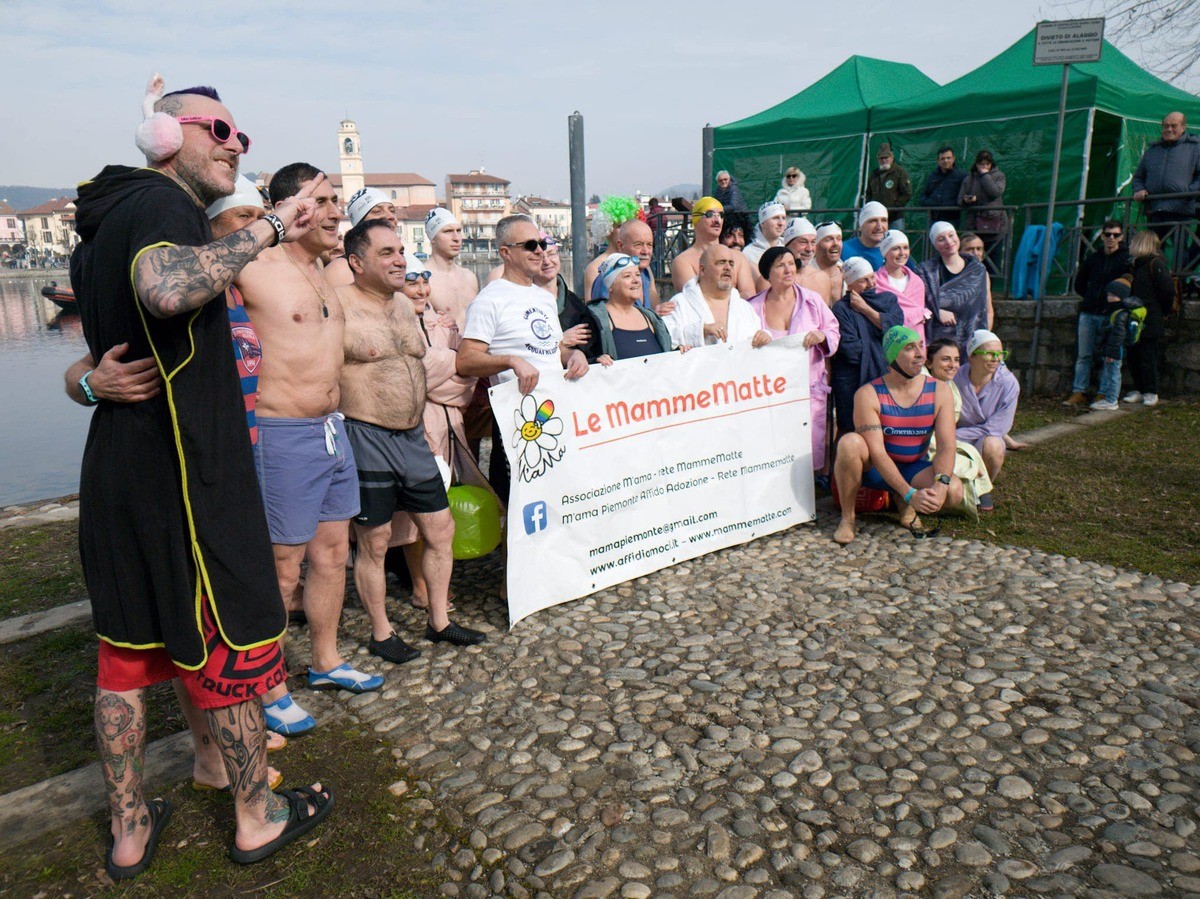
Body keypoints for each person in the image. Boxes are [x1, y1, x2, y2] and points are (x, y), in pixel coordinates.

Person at [70, 82, 332, 876]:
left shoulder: (102, 219)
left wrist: (86, 386)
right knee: (232, 641)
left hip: (117, 467)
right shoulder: (160, 205)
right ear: (163, 135)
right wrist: (276, 226)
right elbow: (164, 287)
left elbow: (98, 352)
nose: (236, 144)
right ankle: (257, 814)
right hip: (186, 470)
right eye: (217, 129)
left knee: (125, 653)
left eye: (241, 132)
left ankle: (129, 827)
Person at [237, 162, 384, 731]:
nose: (334, 212)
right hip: (281, 433)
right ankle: (266, 686)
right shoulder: (254, 267)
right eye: (320, 200)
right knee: (282, 567)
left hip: (332, 429)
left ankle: (325, 661)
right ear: (287, 205)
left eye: (335, 200)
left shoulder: (326, 271)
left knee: (331, 555)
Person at [337, 219, 486, 660]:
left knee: (441, 528)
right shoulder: (339, 305)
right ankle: (381, 633)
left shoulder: (404, 306)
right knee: (376, 540)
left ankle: (439, 620)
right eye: (386, 253)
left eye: (400, 250)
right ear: (356, 262)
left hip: (413, 437)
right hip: (365, 434)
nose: (399, 259)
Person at [456, 215, 590, 500]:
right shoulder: (489, 300)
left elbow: (552, 348)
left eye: (541, 243)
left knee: (561, 497)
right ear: (505, 252)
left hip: (554, 411)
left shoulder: (543, 297)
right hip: (518, 419)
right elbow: (466, 360)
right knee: (522, 505)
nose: (540, 251)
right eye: (530, 245)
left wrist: (574, 354)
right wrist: (510, 361)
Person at [833, 326, 963, 545]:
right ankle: (848, 518)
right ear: (892, 356)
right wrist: (910, 493)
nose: (921, 354)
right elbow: (877, 453)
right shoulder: (869, 394)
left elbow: (947, 447)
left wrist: (940, 484)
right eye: (910, 348)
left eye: (920, 346)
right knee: (849, 443)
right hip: (874, 469)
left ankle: (902, 501)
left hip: (913, 467)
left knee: (954, 492)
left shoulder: (939, 391)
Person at [747, 247, 839, 469]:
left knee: (807, 451)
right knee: (772, 450)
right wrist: (753, 340)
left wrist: (821, 335)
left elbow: (834, 332)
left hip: (808, 387)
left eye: (791, 263)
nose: (788, 269)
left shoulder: (812, 301)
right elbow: (741, 348)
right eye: (780, 265)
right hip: (769, 391)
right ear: (767, 274)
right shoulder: (752, 307)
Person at [830, 256, 905, 437]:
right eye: (863, 280)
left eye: (872, 277)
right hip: (852, 382)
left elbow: (897, 330)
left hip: (885, 379)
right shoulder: (842, 309)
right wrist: (882, 349)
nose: (871, 283)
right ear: (850, 285)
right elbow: (850, 349)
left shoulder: (887, 300)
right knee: (850, 431)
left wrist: (865, 309)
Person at [923, 338, 993, 513]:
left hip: (941, 439)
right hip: (923, 443)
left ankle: (978, 492)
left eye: (956, 360)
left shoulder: (949, 385)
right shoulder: (922, 383)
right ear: (929, 362)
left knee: (971, 452)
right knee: (963, 462)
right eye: (946, 359)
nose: (952, 365)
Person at [1065, 220, 1130, 406]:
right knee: (1084, 355)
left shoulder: (1125, 259)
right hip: (1089, 312)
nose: (1111, 238)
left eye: (1115, 235)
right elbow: (1079, 283)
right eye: (1108, 234)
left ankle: (1103, 393)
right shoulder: (1093, 258)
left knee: (1108, 356)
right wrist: (1091, 297)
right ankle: (1079, 391)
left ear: (1121, 237)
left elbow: (1127, 284)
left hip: (1111, 314)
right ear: (1102, 236)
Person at [955, 329, 1020, 509]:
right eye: (990, 353)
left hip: (967, 436)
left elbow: (998, 428)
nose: (996, 359)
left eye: (1000, 354)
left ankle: (983, 488)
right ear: (972, 356)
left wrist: (955, 435)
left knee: (993, 445)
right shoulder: (955, 378)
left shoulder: (1008, 383)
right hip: (957, 438)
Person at [663, 243, 772, 349]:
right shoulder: (680, 303)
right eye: (721, 262)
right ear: (702, 269)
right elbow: (665, 338)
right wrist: (701, 330)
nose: (728, 267)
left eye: (731, 264)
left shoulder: (745, 308)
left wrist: (765, 337)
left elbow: (756, 347)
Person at [917, 221, 992, 351]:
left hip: (972, 340)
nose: (948, 241)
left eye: (951, 235)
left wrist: (984, 340)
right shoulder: (925, 272)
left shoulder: (978, 271)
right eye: (941, 239)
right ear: (935, 245)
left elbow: (986, 309)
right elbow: (916, 304)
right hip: (940, 344)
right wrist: (936, 311)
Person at [590, 254, 676, 363]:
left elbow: (666, 355)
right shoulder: (596, 319)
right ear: (610, 285)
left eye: (637, 275)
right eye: (627, 276)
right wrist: (595, 361)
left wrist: (679, 352)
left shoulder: (651, 318)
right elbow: (581, 360)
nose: (636, 280)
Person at [1132, 112, 1200, 246]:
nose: (1169, 129)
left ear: (1183, 127)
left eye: (1174, 126)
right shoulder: (1152, 150)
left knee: (1180, 253)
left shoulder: (1195, 148)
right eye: (1166, 126)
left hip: (1180, 210)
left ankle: (1185, 268)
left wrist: (1188, 193)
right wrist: (1139, 189)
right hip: (1155, 210)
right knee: (1153, 251)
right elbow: (1138, 177)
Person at [1125, 229, 1175, 407]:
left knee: (1148, 355)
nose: (1129, 245)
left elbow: (1167, 291)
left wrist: (1161, 311)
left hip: (1150, 317)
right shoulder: (1134, 266)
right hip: (1134, 317)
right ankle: (1139, 388)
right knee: (1133, 354)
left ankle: (1151, 391)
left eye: (1132, 242)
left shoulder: (1156, 264)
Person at [670, 197, 757, 297]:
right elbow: (695, 300)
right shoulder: (683, 261)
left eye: (721, 215)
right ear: (696, 221)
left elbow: (749, 295)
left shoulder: (738, 257)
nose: (717, 220)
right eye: (709, 214)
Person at [534, 233, 600, 359]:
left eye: (551, 254)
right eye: (539, 257)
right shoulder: (522, 304)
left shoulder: (576, 303)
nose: (547, 261)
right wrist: (561, 341)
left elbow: (592, 348)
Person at [1091, 278, 1147, 412]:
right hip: (1112, 349)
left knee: (1113, 374)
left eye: (1113, 295)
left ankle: (1111, 400)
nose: (1109, 297)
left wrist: (1111, 352)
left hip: (1115, 350)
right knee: (1110, 373)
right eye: (1108, 295)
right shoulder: (1117, 311)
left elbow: (1117, 336)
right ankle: (1109, 398)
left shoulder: (1120, 314)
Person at [325, 187, 397, 287]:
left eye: (392, 210)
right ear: (361, 224)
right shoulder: (341, 269)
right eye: (377, 211)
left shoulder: (403, 261)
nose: (390, 216)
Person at [424, 207, 479, 328]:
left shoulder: (469, 277)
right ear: (432, 238)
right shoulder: (423, 280)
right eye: (448, 231)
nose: (456, 238)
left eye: (458, 231)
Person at [590, 218, 660, 308]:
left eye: (649, 245)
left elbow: (655, 311)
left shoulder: (646, 274)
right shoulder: (609, 278)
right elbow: (604, 318)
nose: (646, 251)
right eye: (638, 244)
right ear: (620, 245)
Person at [957, 150, 1007, 275]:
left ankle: (991, 291)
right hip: (974, 227)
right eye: (981, 164)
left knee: (992, 263)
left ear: (991, 164)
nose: (984, 166)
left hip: (994, 227)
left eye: (987, 164)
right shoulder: (969, 179)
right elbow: (959, 200)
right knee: (972, 263)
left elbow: (995, 193)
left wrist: (985, 176)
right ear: (976, 164)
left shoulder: (999, 176)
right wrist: (966, 200)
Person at [583, 196, 642, 298]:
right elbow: (591, 309)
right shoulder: (594, 268)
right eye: (620, 226)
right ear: (608, 229)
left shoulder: (640, 263)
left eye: (628, 225)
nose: (625, 230)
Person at [876, 229, 928, 335]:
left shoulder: (917, 282)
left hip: (914, 338)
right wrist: (917, 314)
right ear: (885, 252)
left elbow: (920, 320)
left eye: (905, 248)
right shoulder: (875, 281)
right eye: (896, 248)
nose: (902, 253)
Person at [783, 217, 834, 302]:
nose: (809, 249)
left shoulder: (822, 279)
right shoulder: (773, 279)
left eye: (813, 242)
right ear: (787, 244)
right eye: (803, 242)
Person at [866, 143, 912, 231]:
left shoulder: (899, 172)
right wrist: (871, 206)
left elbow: (907, 193)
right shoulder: (874, 174)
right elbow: (868, 193)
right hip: (877, 217)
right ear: (878, 159)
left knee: (895, 242)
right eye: (881, 158)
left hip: (895, 218)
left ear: (892, 158)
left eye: (886, 158)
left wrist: (894, 207)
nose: (884, 160)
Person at [918, 146, 967, 228]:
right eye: (943, 158)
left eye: (948, 158)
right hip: (934, 219)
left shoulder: (962, 176)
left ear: (953, 158)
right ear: (938, 161)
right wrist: (931, 204)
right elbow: (923, 196)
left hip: (952, 220)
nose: (946, 161)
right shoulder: (932, 176)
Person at [743, 200, 788, 273]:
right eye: (775, 218)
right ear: (763, 223)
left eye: (783, 218)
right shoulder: (749, 253)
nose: (781, 223)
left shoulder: (787, 248)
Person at [841, 202, 889, 270]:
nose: (879, 226)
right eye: (873, 221)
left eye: (884, 220)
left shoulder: (895, 250)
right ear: (861, 226)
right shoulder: (843, 249)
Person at [813, 221, 846, 306]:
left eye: (839, 239)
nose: (835, 243)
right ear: (816, 246)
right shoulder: (805, 274)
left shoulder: (848, 273)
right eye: (829, 239)